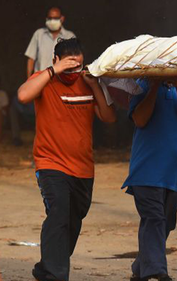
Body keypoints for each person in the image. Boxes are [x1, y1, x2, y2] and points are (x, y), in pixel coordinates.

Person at [17, 38, 116, 281]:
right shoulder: (45, 79)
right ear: (55, 61)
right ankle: (54, 274)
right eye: (68, 66)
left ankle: (46, 267)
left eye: (78, 66)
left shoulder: (88, 82)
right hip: (50, 164)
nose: (73, 72)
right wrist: (54, 71)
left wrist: (94, 86)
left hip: (83, 168)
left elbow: (109, 117)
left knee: (74, 219)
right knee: (59, 212)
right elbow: (22, 96)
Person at [122, 78, 177, 281]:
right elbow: (140, 119)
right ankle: (157, 271)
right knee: (154, 218)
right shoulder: (142, 85)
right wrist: (154, 86)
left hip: (176, 171)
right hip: (147, 170)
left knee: (166, 222)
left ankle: (141, 265)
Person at [11, 6, 76, 146]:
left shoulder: (70, 36)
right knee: (41, 118)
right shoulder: (39, 34)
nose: (52, 21)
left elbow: (74, 60)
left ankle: (60, 149)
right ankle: (42, 151)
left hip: (60, 83)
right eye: (50, 18)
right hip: (40, 82)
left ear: (62, 19)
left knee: (60, 118)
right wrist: (30, 80)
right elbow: (31, 59)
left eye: (55, 18)